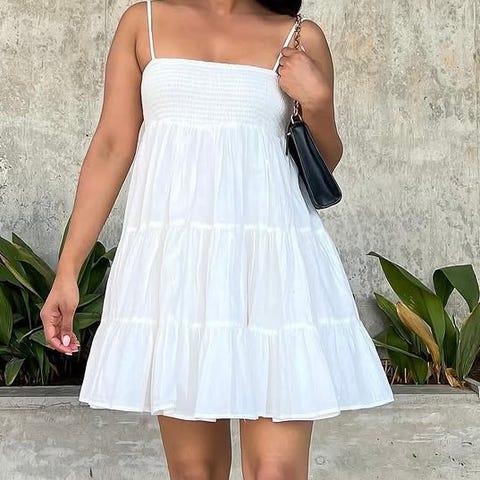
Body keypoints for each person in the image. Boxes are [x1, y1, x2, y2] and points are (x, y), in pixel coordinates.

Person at [40, 0, 394, 478]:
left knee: (275, 471)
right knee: (195, 471)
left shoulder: (299, 35)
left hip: (274, 270)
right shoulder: (143, 23)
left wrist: (317, 100)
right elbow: (110, 146)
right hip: (180, 274)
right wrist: (68, 271)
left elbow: (324, 159)